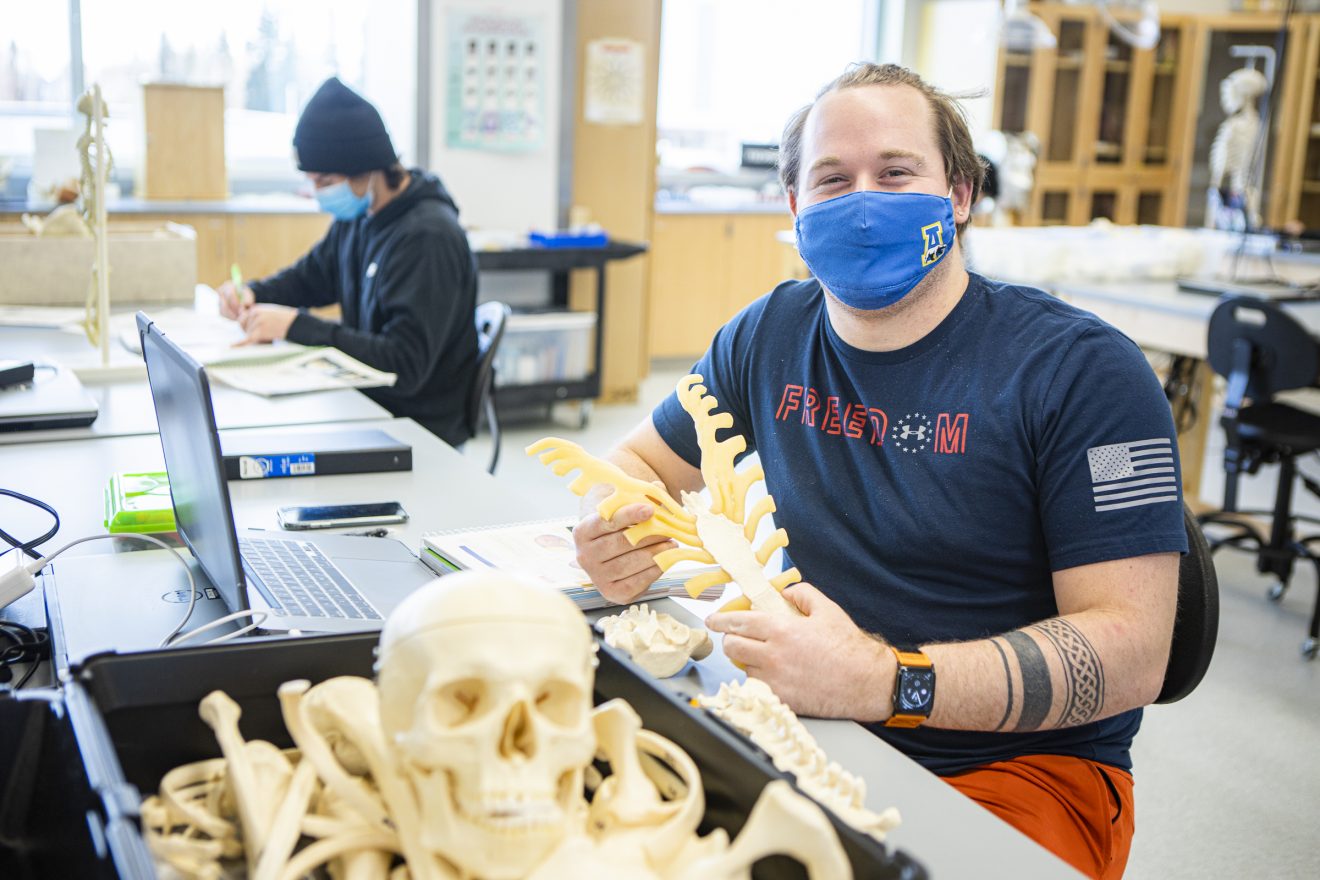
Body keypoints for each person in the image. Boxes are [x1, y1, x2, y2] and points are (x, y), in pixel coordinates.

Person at [572, 63, 1185, 880]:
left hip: (1017, 770)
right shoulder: (769, 334)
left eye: (896, 173)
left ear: (959, 195)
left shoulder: (1086, 374)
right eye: (832, 179)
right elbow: (642, 462)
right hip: (803, 716)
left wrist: (888, 682)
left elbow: (1133, 651)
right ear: (793, 207)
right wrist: (612, 523)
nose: (864, 201)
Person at [217, 77, 478, 446]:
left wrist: (295, 326)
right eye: (312, 180)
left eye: (326, 181)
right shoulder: (358, 217)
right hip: (366, 403)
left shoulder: (428, 238)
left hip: (418, 429)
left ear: (368, 169)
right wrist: (252, 293)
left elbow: (404, 364)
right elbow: (311, 277)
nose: (318, 193)